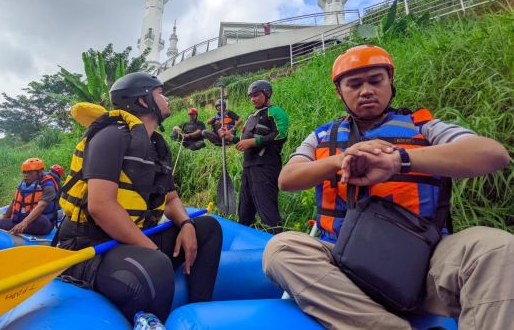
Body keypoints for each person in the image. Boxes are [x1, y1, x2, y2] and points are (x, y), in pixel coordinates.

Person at [262, 45, 512, 329]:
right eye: (354, 84)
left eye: (376, 80)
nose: (366, 90)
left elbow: (492, 154)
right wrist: (341, 159)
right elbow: (287, 179)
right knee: (280, 249)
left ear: (390, 83)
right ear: (339, 92)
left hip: (424, 260)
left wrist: (399, 160)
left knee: (494, 247)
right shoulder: (322, 136)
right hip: (341, 262)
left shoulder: (423, 126)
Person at [58, 72, 222, 323]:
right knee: (156, 265)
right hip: (91, 248)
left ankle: (198, 317)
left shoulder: (157, 145)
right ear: (144, 101)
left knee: (208, 227)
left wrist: (186, 224)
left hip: (132, 240)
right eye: (160, 93)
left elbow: (171, 199)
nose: (166, 99)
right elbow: (101, 206)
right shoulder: (111, 135)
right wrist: (152, 249)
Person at [221, 80, 289, 233]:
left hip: (266, 167)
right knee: (244, 212)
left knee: (268, 212)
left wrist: (254, 141)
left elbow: (281, 135)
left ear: (267, 94)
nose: (253, 99)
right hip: (249, 168)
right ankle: (243, 242)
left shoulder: (276, 112)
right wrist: (231, 138)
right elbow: (245, 142)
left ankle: (279, 242)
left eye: (257, 95)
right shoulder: (251, 117)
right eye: (251, 96)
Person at [0, 158, 59, 235]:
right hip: (20, 218)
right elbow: (15, 201)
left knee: (42, 221)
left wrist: (24, 223)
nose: (26, 175)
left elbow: (42, 205)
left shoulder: (49, 186)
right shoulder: (24, 184)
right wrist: (6, 217)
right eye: (24, 172)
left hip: (41, 223)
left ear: (39, 172)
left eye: (29, 172)